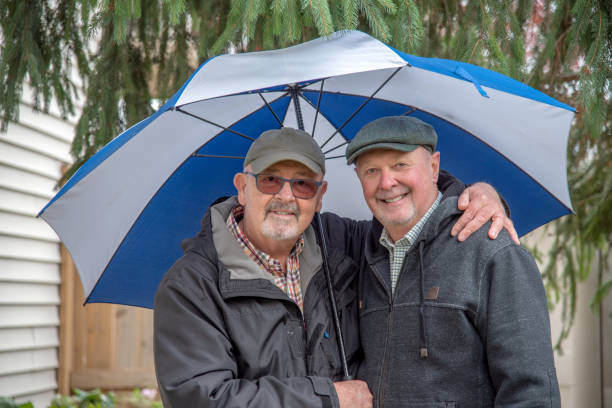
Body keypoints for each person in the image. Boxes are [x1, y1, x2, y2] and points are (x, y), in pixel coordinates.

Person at [154, 127, 513, 408]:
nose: (285, 196)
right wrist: (327, 399)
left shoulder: (343, 244)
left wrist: (475, 195)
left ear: (320, 195)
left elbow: (408, 209)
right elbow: (201, 398)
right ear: (242, 188)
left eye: (303, 184)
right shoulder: (192, 285)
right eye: (269, 180)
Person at [345, 116, 560, 407]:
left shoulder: (490, 251)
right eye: (371, 170)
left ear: (434, 167)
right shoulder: (360, 253)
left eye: (400, 165)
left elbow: (531, 392)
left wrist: (486, 192)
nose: (386, 182)